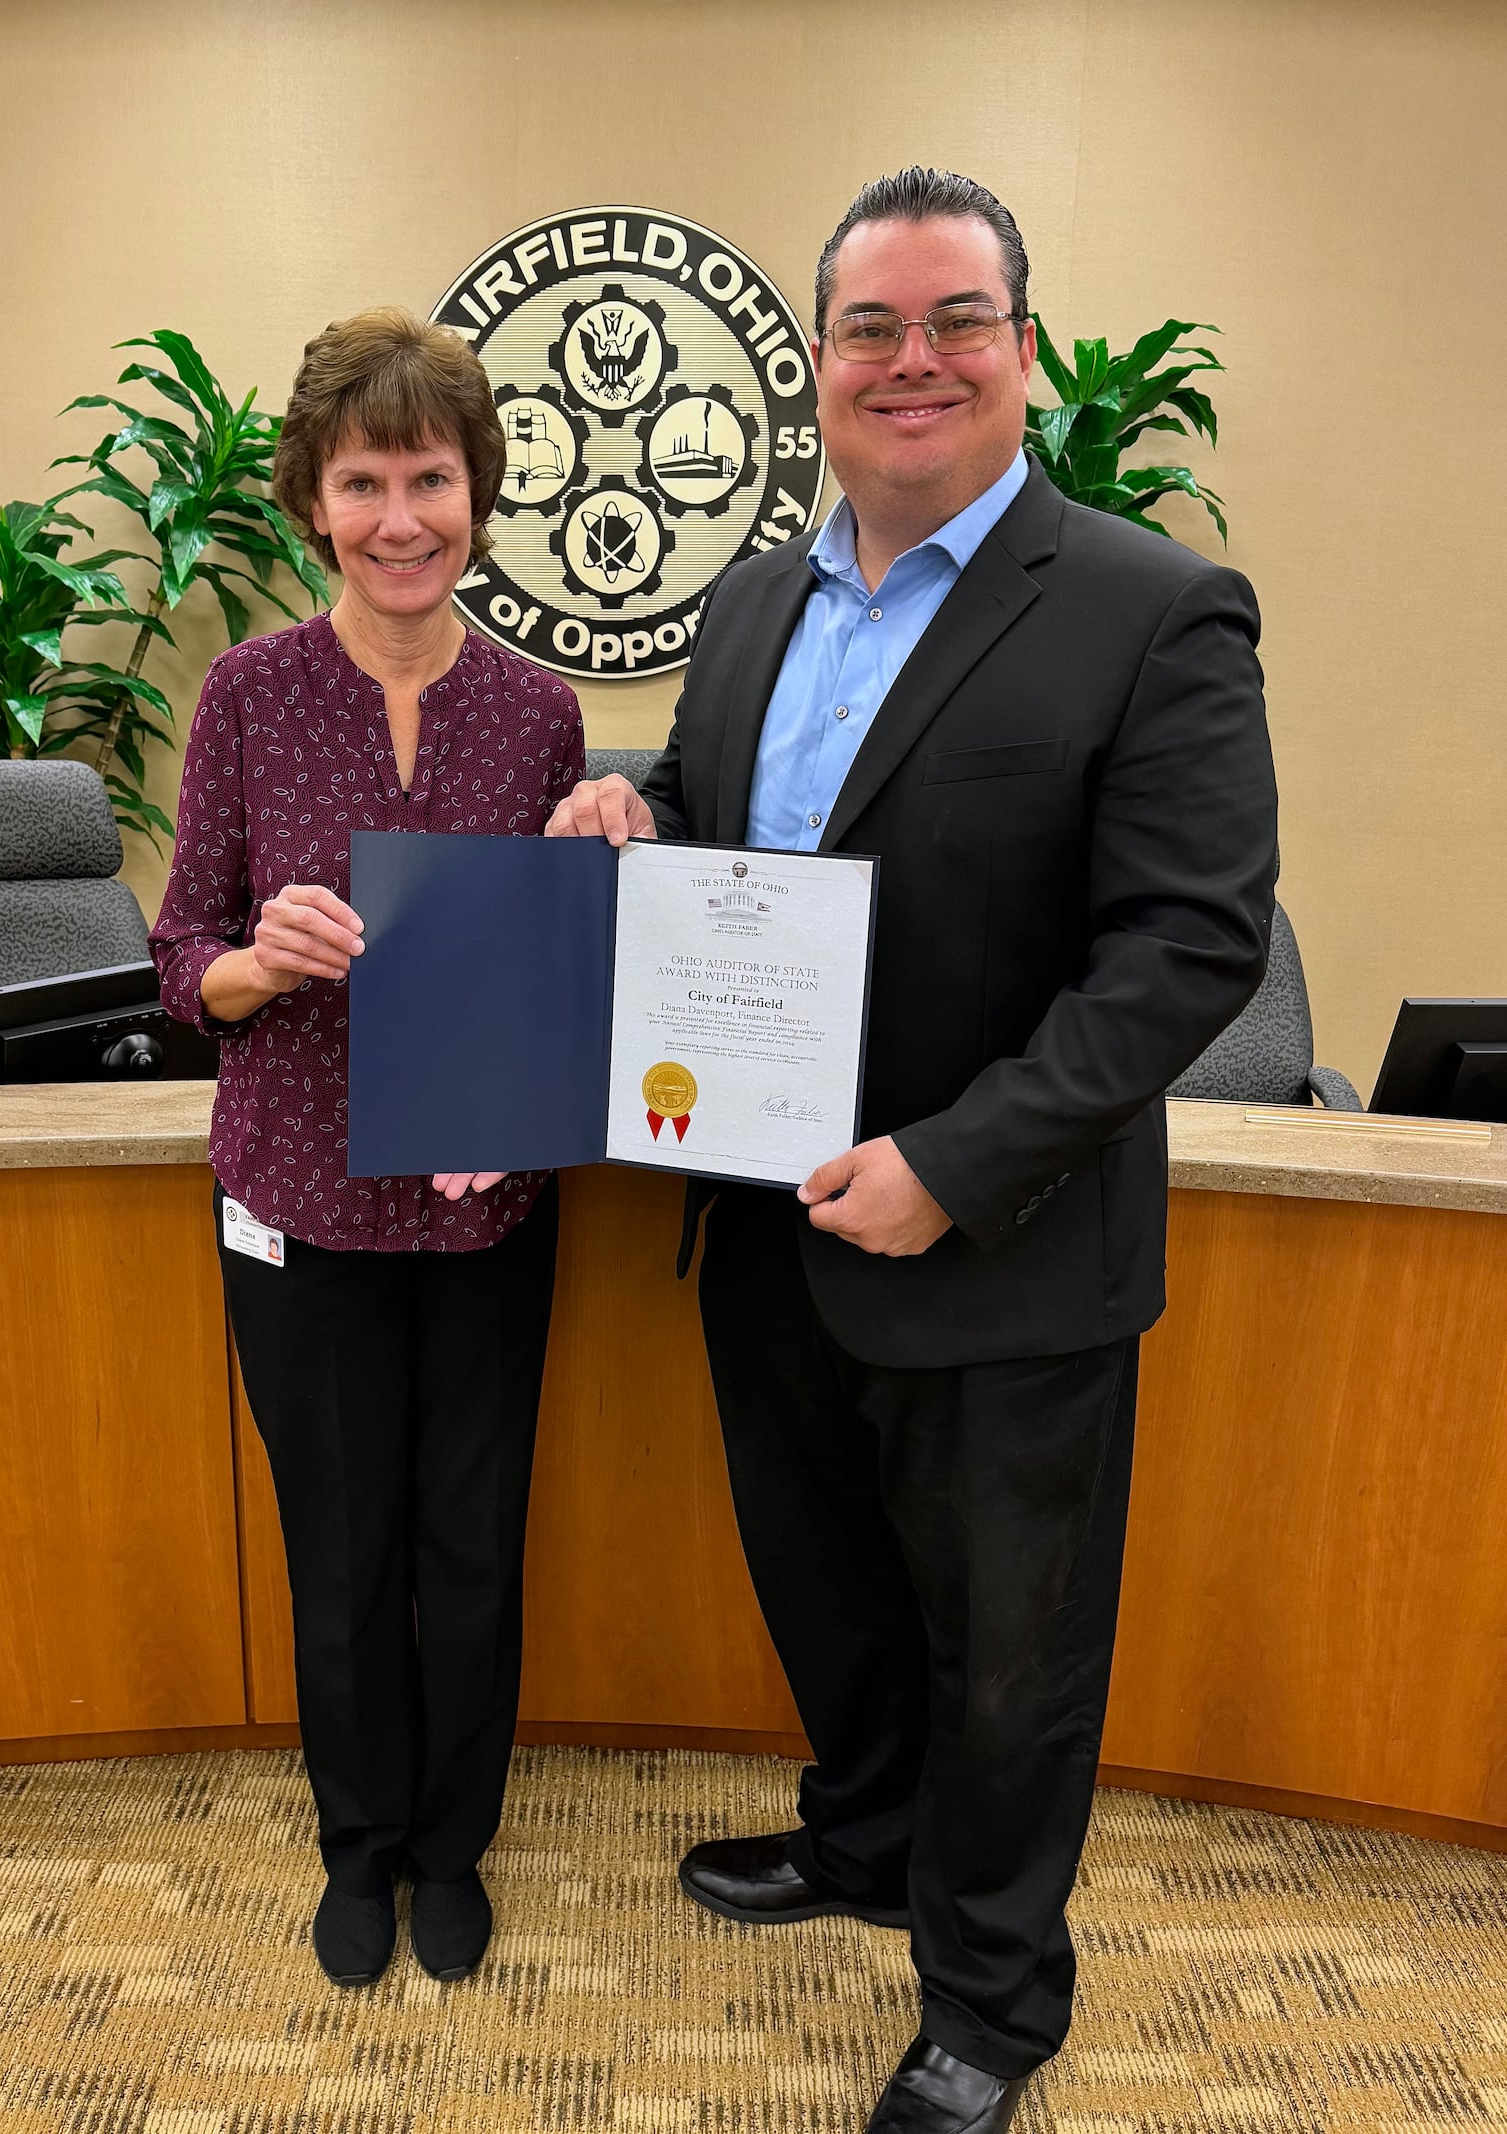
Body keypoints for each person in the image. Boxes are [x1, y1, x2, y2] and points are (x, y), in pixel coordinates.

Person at [548, 169, 1277, 2133]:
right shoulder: (757, 596)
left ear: (1020, 348)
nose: (911, 359)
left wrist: (955, 1159)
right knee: (829, 1587)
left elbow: (1188, 941)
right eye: (868, 326)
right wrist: (636, 803)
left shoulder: (1146, 606)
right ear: (815, 366)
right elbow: (735, 817)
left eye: (955, 318)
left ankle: (989, 1996)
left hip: (994, 1241)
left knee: (1003, 1652)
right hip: (765, 1217)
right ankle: (861, 1840)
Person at [151, 308, 583, 1990]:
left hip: (487, 1208)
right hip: (298, 1200)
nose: (402, 515)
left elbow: (555, 962)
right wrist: (261, 957)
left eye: (431, 476)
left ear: (476, 489)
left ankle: (455, 1843)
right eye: (363, 480)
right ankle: (361, 1843)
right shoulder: (248, 696)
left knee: (474, 1535)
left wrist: (530, 1100)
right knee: (339, 1543)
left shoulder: (540, 713)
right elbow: (179, 959)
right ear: (312, 502)